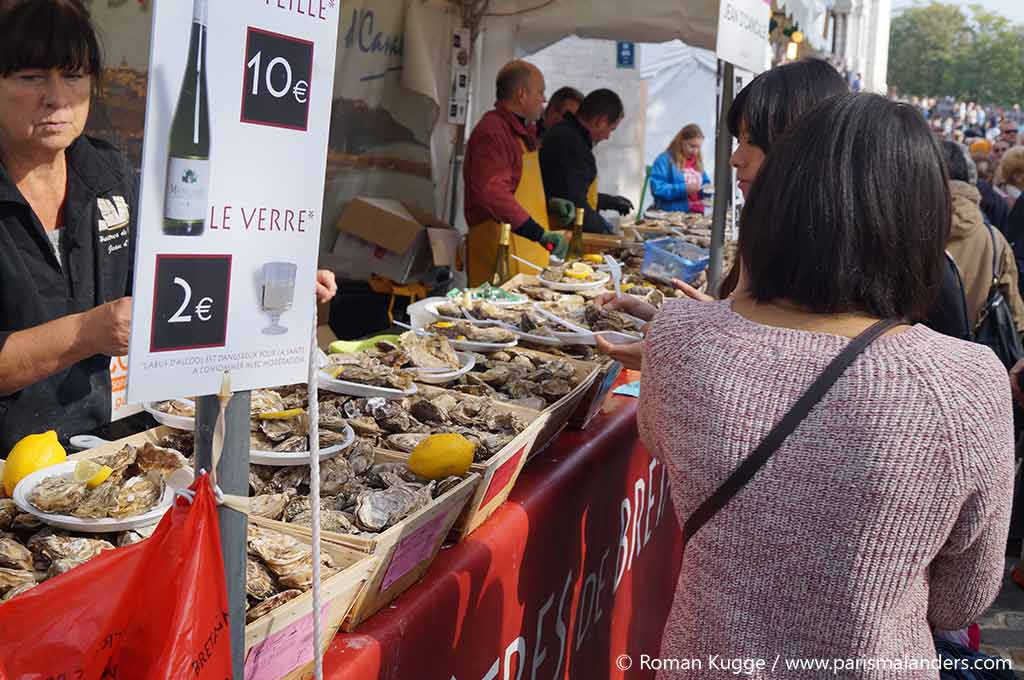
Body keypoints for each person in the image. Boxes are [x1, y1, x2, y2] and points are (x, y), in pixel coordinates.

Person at [640, 93, 1014, 677]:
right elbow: (958, 603)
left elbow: (666, 449)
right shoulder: (966, 384)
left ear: (779, 200)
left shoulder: (681, 337)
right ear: (920, 223)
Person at [0, 0, 336, 455]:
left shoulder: (105, 174)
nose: (57, 97)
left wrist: (262, 283)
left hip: (99, 445)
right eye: (32, 77)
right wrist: (87, 333)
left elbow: (164, 277)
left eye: (74, 76)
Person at [463, 60, 566, 286]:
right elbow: (492, 192)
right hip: (498, 251)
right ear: (521, 94)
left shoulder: (520, 132)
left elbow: (517, 188)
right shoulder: (492, 132)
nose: (544, 99)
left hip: (524, 249)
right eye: (540, 91)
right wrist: (538, 233)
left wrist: (549, 205)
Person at [940, 141, 1024, 337]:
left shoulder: (904, 232)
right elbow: (1016, 316)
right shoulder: (994, 239)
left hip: (916, 359)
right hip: (979, 354)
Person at [539, 89, 633, 234]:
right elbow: (575, 202)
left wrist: (609, 201)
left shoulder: (570, 136)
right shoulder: (570, 143)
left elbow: (570, 187)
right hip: (557, 233)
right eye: (611, 129)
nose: (608, 137)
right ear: (600, 121)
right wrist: (606, 231)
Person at [648, 124, 711, 214]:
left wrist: (707, 189)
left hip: (697, 215)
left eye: (698, 147)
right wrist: (684, 189)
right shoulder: (664, 160)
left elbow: (705, 183)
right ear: (681, 142)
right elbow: (657, 189)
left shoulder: (697, 162)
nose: (695, 151)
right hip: (672, 215)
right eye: (692, 146)